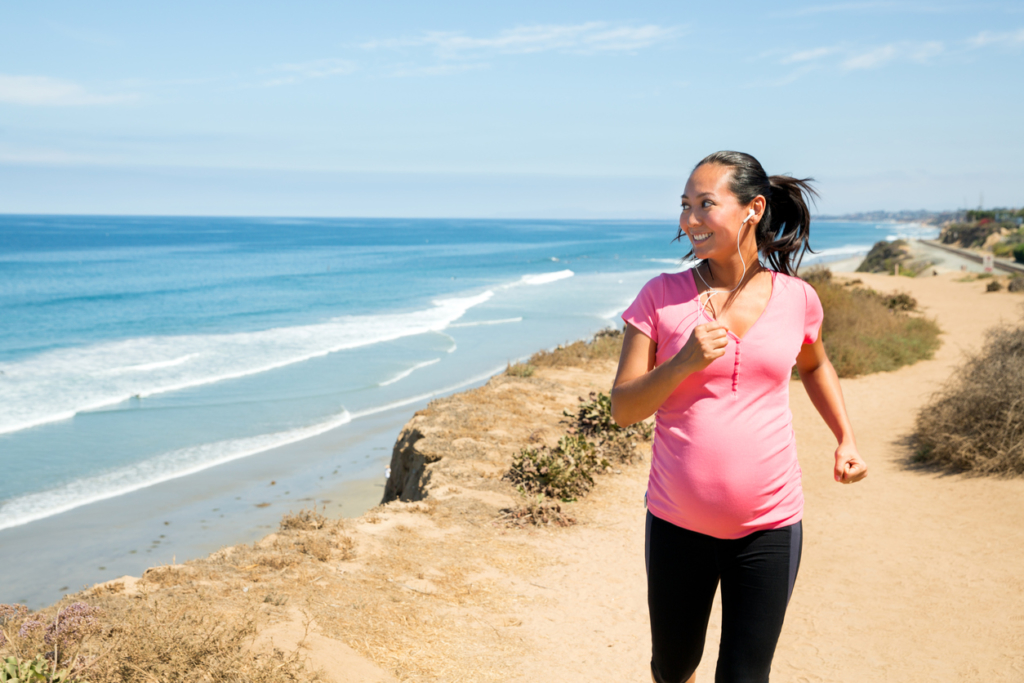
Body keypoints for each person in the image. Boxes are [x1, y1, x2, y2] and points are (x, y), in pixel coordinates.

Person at [611, 151, 867, 683]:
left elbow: (816, 366)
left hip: (770, 524)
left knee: (746, 675)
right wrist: (682, 363)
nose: (689, 220)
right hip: (678, 523)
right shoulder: (660, 296)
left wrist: (845, 437)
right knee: (675, 664)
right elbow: (623, 408)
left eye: (705, 205)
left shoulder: (798, 298)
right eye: (684, 206)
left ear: (752, 209)